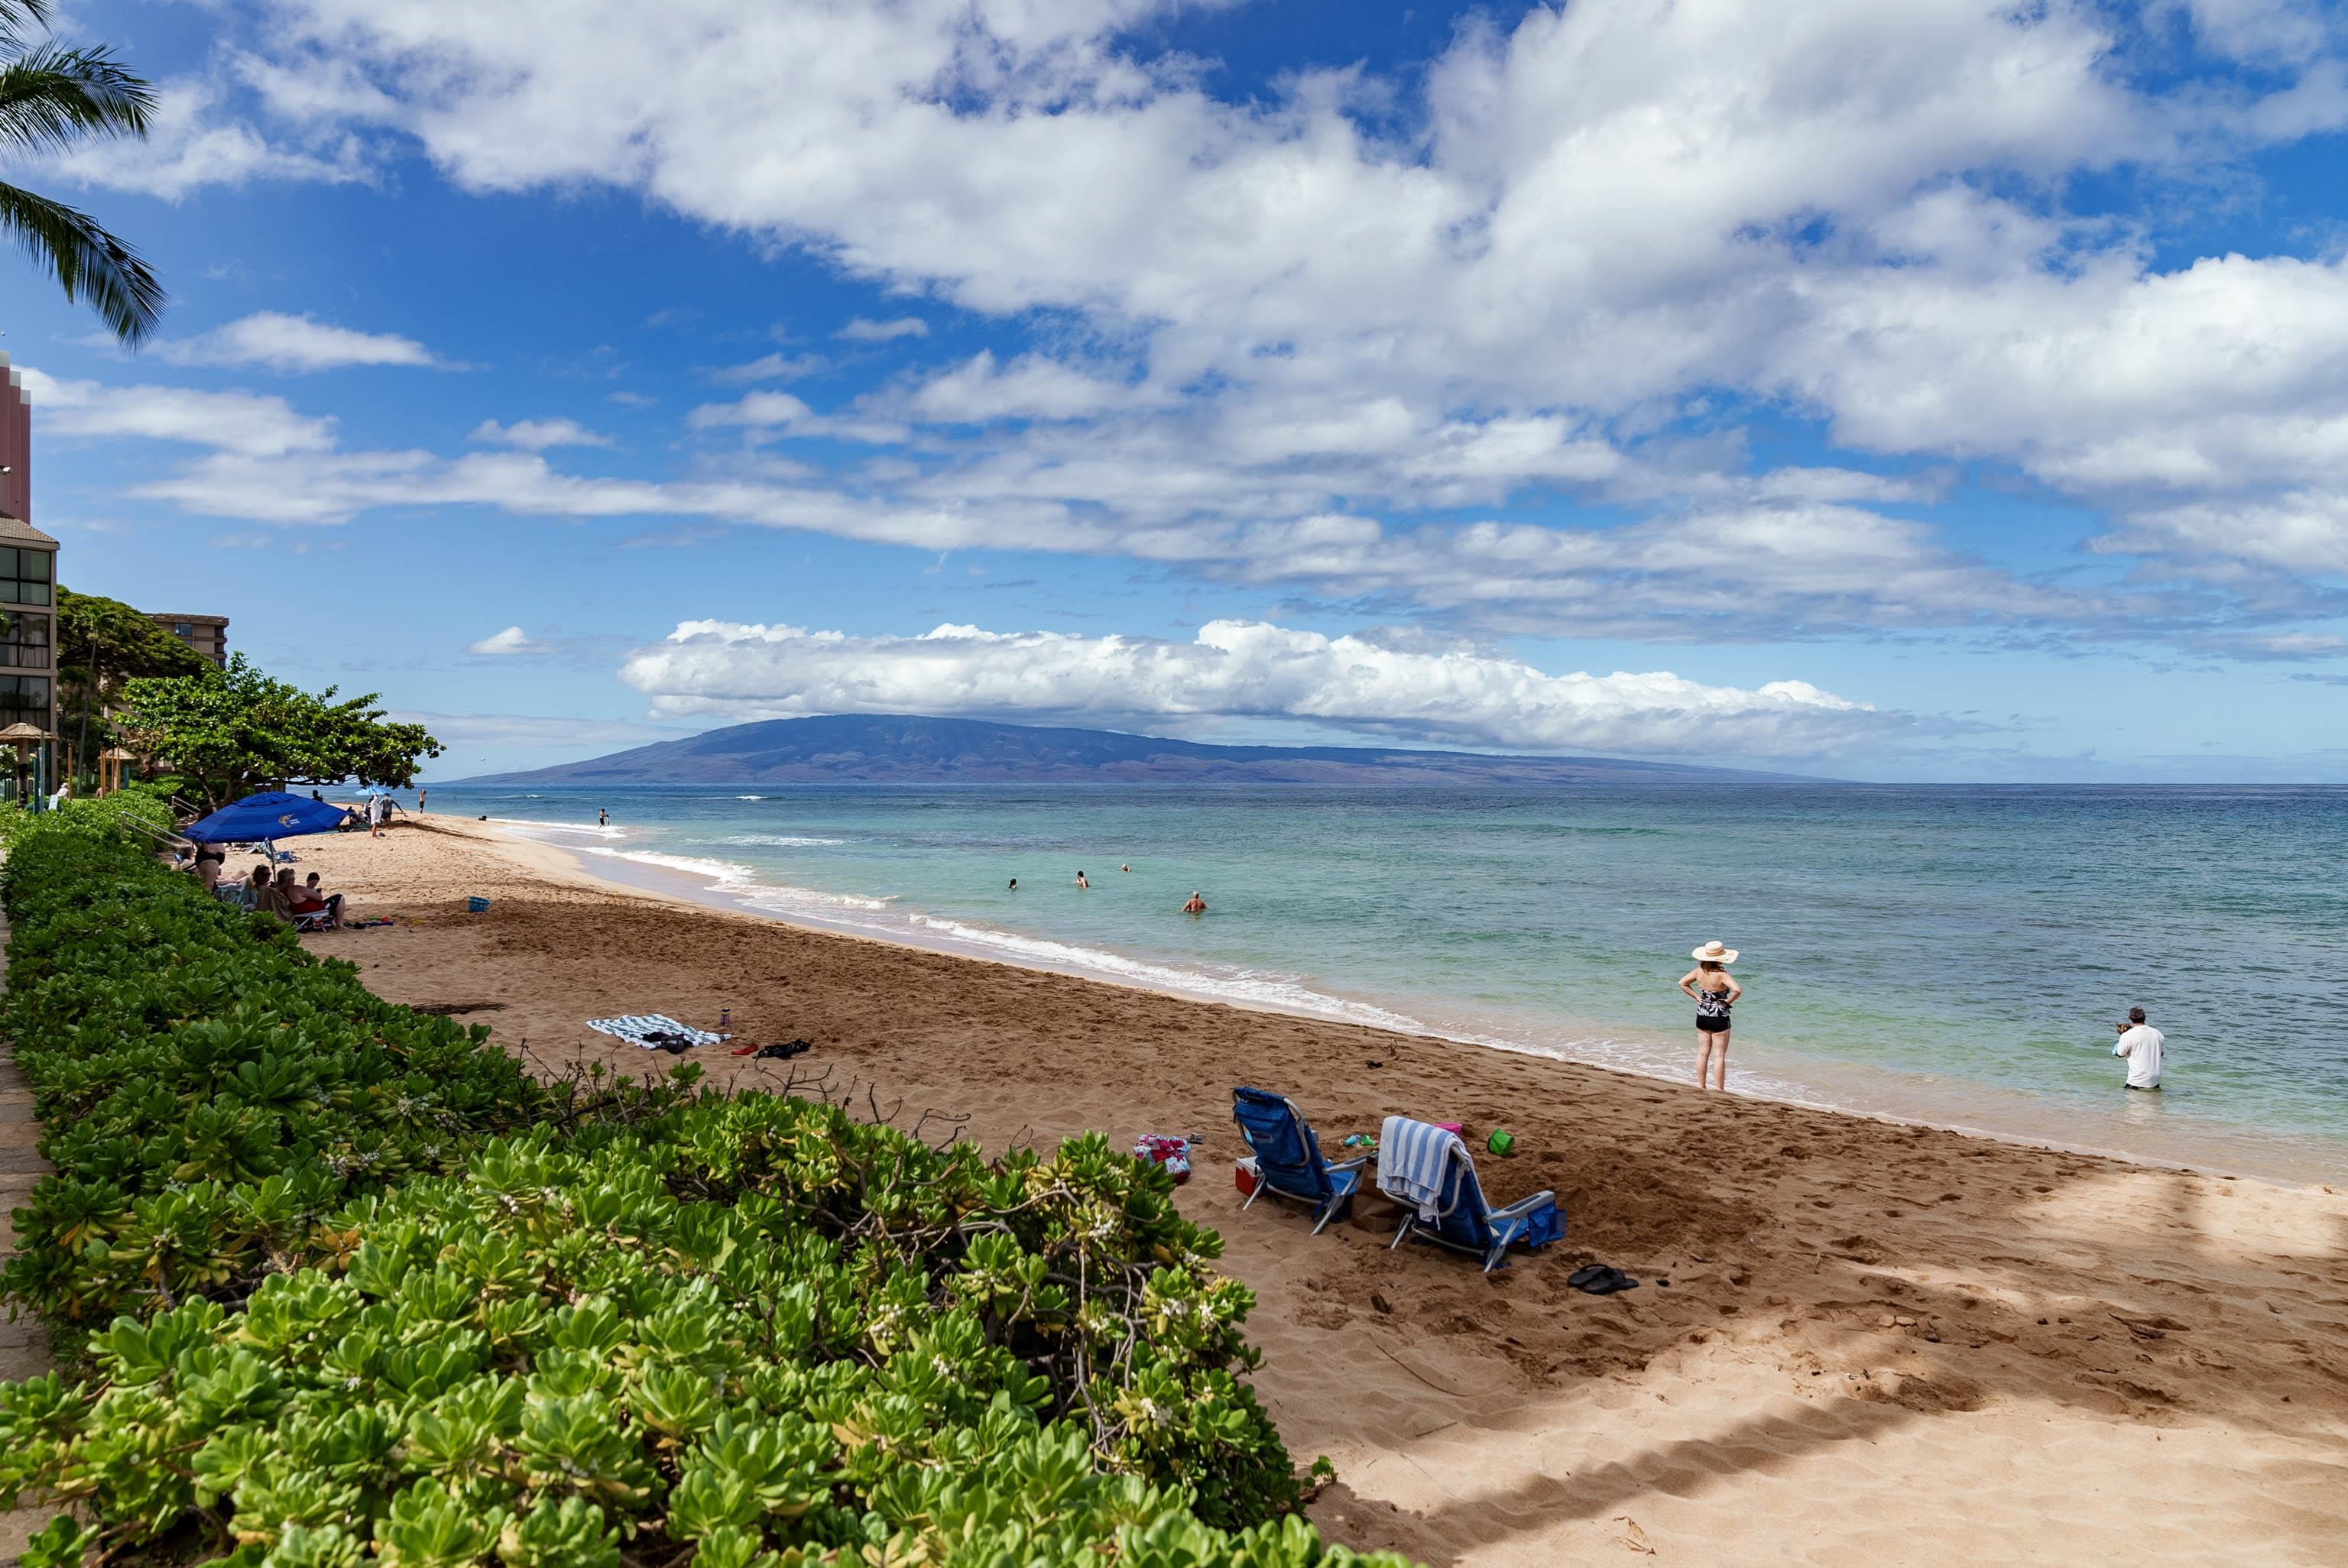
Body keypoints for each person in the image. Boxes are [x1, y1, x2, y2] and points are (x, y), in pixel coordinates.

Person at [1677, 940, 1742, 1091]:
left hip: (1703, 1013)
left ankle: (1701, 1086)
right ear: (1720, 959)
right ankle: (1719, 1089)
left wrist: (1696, 997)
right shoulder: (1722, 975)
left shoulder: (1698, 971)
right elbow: (1737, 990)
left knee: (1702, 1053)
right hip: (1719, 1015)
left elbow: (1682, 983)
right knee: (1719, 1055)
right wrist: (1728, 1001)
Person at [2114, 1006, 2164, 1091]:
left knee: (2129, 1097)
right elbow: (2161, 1054)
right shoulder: (2157, 1033)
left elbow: (2120, 1054)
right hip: (2155, 1078)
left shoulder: (2127, 1035)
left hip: (2138, 1078)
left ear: (2130, 1018)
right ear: (2145, 1017)